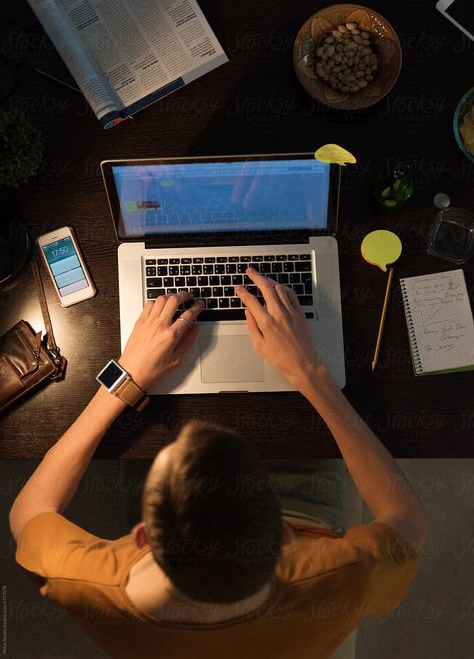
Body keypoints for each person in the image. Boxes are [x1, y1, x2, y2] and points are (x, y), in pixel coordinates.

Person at [10, 268, 429, 659]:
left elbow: (28, 513)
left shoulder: (83, 584)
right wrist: (311, 373)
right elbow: (407, 519)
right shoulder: (342, 575)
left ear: (142, 535)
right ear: (284, 535)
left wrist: (125, 378)